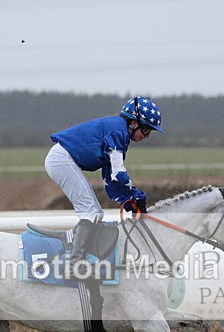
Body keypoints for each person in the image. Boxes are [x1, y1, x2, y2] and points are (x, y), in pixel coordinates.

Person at [45, 95, 165, 277]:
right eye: (146, 130)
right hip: (61, 160)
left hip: (63, 159)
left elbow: (111, 177)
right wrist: (136, 195)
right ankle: (74, 264)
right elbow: (118, 173)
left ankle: (79, 255)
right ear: (133, 123)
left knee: (96, 213)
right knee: (91, 213)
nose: (146, 137)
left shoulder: (120, 133)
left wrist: (129, 198)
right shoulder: (118, 132)